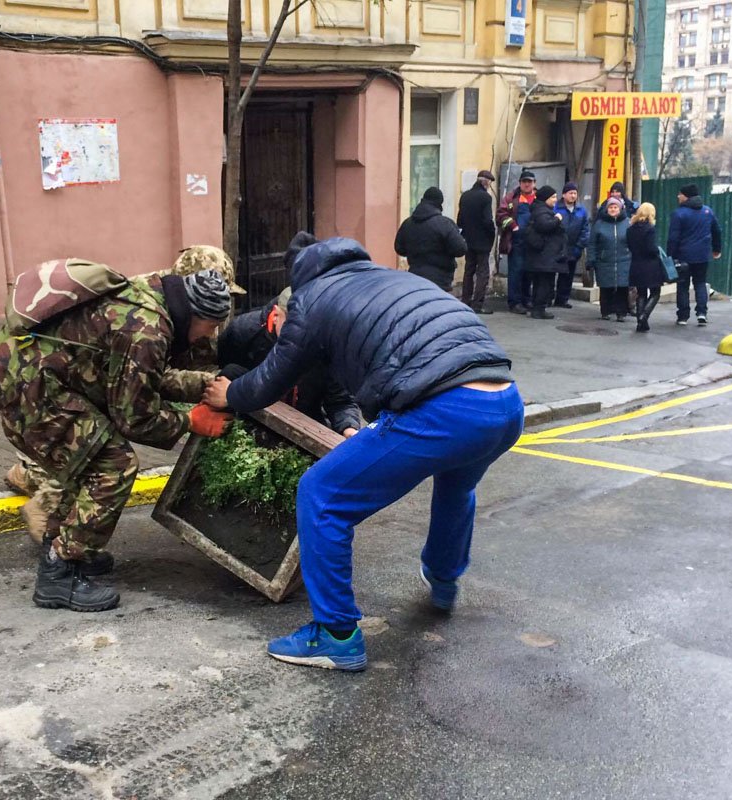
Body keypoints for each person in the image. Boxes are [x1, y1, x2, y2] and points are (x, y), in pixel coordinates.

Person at [203, 237, 521, 671]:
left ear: (301, 277)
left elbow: (268, 382)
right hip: (504, 403)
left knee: (321, 493)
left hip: (444, 408)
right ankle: (444, 580)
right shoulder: (389, 278)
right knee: (456, 484)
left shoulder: (313, 297)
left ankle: (336, 635)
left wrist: (230, 395)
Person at [0, 267, 235, 612]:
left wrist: (204, 384)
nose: (210, 334)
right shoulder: (148, 330)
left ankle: (65, 543)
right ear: (196, 314)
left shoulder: (150, 298)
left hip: (31, 379)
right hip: (35, 393)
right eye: (211, 325)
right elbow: (135, 418)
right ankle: (60, 571)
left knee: (88, 457)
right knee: (113, 463)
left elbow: (141, 376)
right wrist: (190, 420)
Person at [218, 283, 361, 438]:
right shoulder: (242, 332)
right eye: (294, 327)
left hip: (305, 423)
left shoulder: (329, 345)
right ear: (277, 314)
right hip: (249, 418)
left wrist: (350, 429)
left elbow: (341, 401)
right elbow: (221, 374)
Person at [666, 183, 722, 327]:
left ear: (686, 196)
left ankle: (683, 316)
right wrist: (716, 249)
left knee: (683, 285)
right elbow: (717, 231)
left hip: (683, 255)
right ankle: (702, 313)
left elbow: (673, 238)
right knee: (700, 283)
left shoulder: (679, 214)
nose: (678, 196)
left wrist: (670, 257)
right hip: (702, 255)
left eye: (680, 194)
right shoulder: (707, 211)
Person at [394, 186, 467, 292]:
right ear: (439, 203)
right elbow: (460, 249)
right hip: (440, 280)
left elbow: (399, 248)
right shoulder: (444, 224)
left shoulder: (408, 223)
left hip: (415, 275)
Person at [456, 169, 497, 313]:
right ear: (486, 183)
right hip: (483, 241)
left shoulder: (465, 196)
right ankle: (478, 304)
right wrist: (492, 232)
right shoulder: (485, 198)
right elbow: (487, 220)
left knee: (469, 270)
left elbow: (459, 220)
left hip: (468, 239)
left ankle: (466, 300)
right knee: (483, 272)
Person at [497, 169, 537, 313]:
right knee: (516, 272)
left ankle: (527, 299)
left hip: (533, 243)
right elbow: (500, 215)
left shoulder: (539, 199)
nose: (527, 184)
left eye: (529, 182)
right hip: (516, 242)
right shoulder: (511, 198)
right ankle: (515, 302)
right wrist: (513, 225)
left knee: (529, 273)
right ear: (520, 183)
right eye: (524, 182)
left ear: (534, 183)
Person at [522, 185, 565, 320]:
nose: (555, 200)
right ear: (545, 198)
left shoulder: (540, 209)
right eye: (552, 197)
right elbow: (545, 226)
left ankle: (538, 307)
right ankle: (539, 309)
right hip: (544, 255)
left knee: (540, 282)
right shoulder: (542, 211)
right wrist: (557, 219)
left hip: (543, 255)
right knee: (544, 283)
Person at [586, 197, 631, 322]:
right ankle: (605, 311)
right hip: (604, 261)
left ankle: (621, 312)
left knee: (622, 287)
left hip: (624, 260)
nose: (613, 209)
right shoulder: (599, 224)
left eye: (615, 207)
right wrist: (591, 259)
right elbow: (592, 243)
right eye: (610, 207)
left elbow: (633, 242)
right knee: (606, 287)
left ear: (620, 209)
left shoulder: (627, 223)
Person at [626, 202, 664, 333]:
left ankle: (640, 323)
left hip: (636, 264)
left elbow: (629, 246)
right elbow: (651, 248)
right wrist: (658, 251)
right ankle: (644, 316)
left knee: (641, 293)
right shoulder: (650, 229)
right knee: (655, 292)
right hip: (650, 265)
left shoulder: (630, 229)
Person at [553, 182, 590, 308]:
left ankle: (562, 299)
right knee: (551, 273)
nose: (573, 196)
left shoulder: (581, 211)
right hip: (557, 247)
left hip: (573, 247)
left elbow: (585, 230)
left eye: (575, 193)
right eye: (570, 193)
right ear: (564, 195)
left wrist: (579, 247)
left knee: (568, 275)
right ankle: (548, 298)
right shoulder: (556, 208)